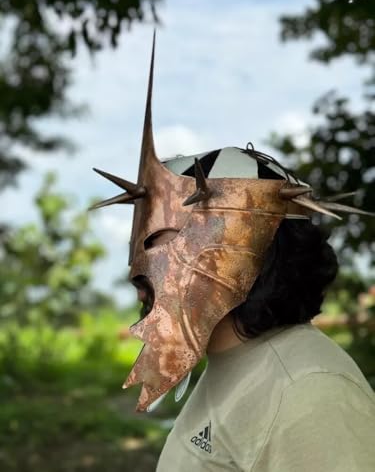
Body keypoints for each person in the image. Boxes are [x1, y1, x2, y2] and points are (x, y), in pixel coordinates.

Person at [90, 36, 375, 471]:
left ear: (236, 250)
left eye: (160, 235)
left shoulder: (309, 389)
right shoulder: (230, 360)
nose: (139, 266)